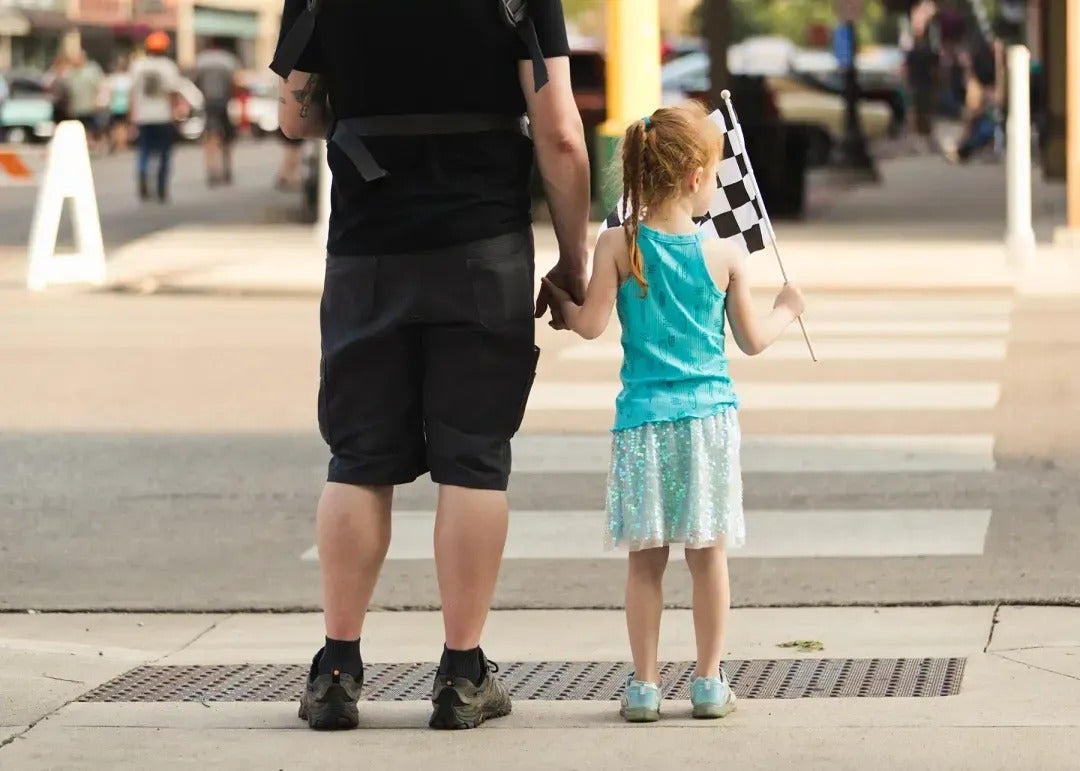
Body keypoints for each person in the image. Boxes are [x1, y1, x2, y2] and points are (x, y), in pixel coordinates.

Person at [271, 0, 590, 731]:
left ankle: (337, 672)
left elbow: (295, 116)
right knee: (474, 460)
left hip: (367, 244)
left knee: (358, 458)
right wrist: (574, 259)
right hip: (483, 244)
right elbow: (560, 133)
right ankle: (461, 673)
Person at [542, 102, 806, 723]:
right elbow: (752, 341)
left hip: (642, 425)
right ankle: (709, 682)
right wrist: (787, 309)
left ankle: (644, 685)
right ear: (693, 176)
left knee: (646, 561)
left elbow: (590, 325)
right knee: (708, 556)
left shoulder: (618, 244)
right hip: (708, 425)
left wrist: (561, 302)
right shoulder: (726, 255)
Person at [129, 31, 183, 202]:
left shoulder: (138, 66)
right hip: (163, 117)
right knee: (164, 154)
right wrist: (175, 114)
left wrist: (132, 117)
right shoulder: (168, 66)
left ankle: (143, 175)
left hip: (143, 116)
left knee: (144, 151)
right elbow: (172, 93)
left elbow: (132, 94)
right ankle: (161, 187)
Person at [194, 37, 240, 186]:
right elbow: (235, 82)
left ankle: (212, 170)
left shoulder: (201, 60)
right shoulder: (229, 60)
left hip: (209, 103)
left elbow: (196, 82)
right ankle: (227, 170)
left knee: (210, 138)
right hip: (225, 103)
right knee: (227, 138)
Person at [66, 50, 105, 151]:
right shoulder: (71, 73)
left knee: (91, 127)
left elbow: (98, 87)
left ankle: (91, 144)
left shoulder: (91, 71)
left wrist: (98, 101)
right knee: (79, 128)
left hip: (90, 106)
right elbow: (70, 91)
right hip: (77, 107)